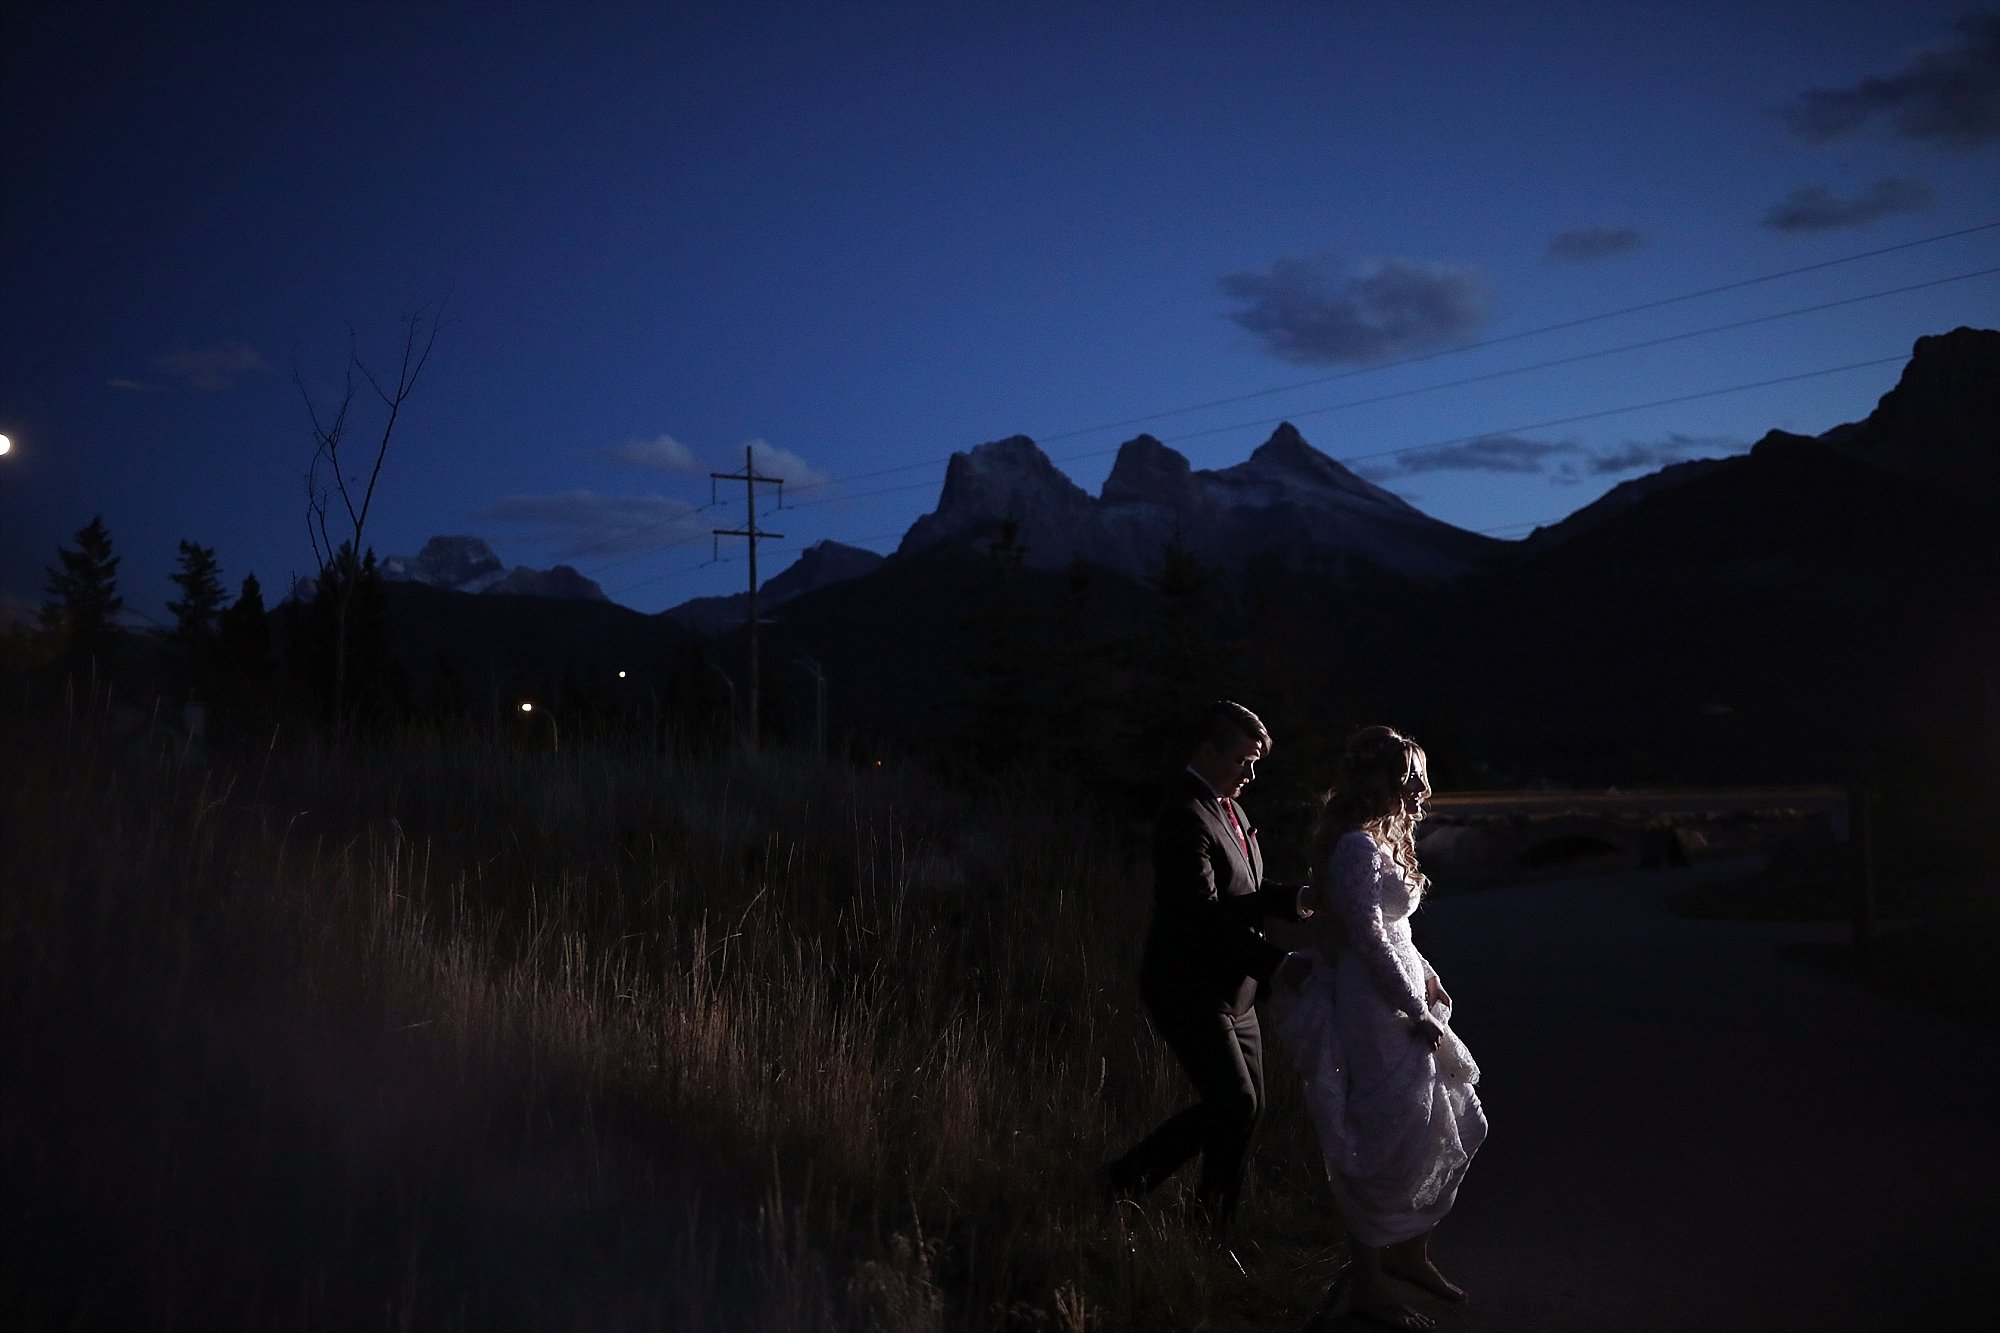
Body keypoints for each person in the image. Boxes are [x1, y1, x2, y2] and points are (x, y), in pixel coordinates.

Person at [1270, 725, 1486, 1332]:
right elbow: (1366, 935)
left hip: (1402, 990)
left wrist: (1429, 981)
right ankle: (1367, 1283)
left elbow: (1397, 934)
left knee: (1446, 1115)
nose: (1421, 790)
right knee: (1380, 1134)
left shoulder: (1376, 841)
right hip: (1375, 1006)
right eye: (1412, 777)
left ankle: (1410, 1253)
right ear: (1386, 781)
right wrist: (1409, 1006)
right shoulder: (1355, 850)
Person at [1099, 700, 1312, 1259]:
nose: (1251, 772)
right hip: (1186, 986)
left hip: (1233, 992)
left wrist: (1297, 900)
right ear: (1208, 750)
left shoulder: (1233, 811)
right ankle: (1124, 1181)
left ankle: (1210, 1234)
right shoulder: (1184, 815)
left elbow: (1242, 896)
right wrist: (1280, 966)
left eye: (1257, 761)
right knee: (1234, 1104)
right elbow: (1201, 917)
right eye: (1243, 759)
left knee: (1248, 1108)